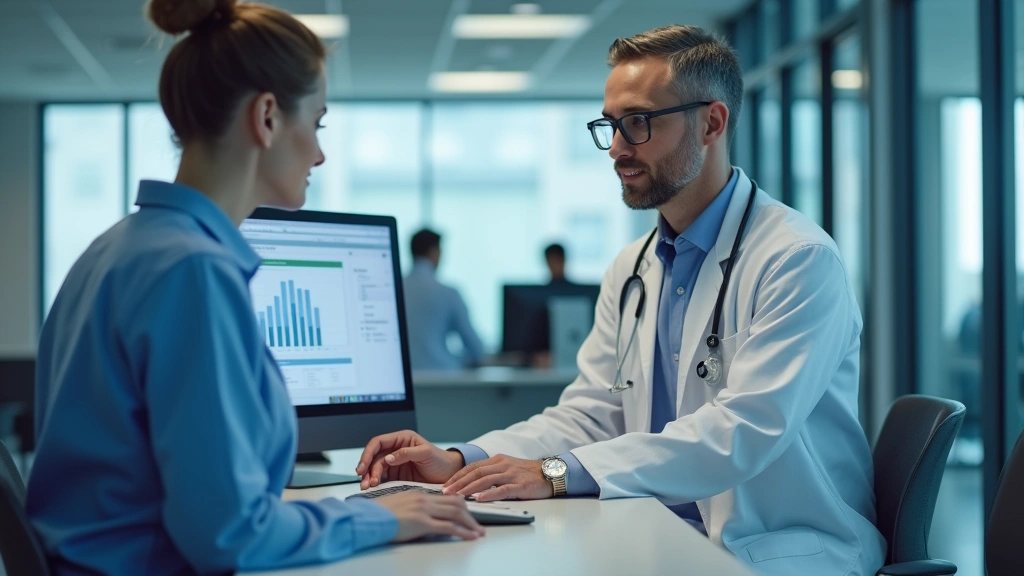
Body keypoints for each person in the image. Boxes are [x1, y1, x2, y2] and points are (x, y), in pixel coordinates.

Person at [356, 25, 885, 576]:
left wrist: (555, 473)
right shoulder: (633, 267)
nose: (615, 148)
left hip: (776, 546)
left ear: (711, 122)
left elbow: (742, 431)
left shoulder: (796, 258)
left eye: (638, 123)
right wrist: (464, 459)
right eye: (609, 125)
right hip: (658, 530)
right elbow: (592, 412)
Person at [26, 1, 483, 574]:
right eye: (314, 124)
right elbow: (229, 534)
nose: (318, 153)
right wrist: (384, 517)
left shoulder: (118, 245)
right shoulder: (194, 271)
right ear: (267, 117)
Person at [403, 228, 485, 370]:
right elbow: (475, 347)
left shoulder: (393, 288)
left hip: (404, 378)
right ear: (434, 252)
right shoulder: (448, 293)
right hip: (443, 380)